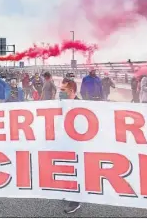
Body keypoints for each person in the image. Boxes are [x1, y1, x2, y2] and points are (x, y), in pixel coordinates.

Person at [56, 78, 83, 214]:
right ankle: (69, 192)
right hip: (65, 142)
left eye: (62, 90)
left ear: (71, 91)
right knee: (66, 169)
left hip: (76, 145)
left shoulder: (80, 105)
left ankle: (75, 201)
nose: (60, 92)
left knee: (76, 171)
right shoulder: (62, 104)